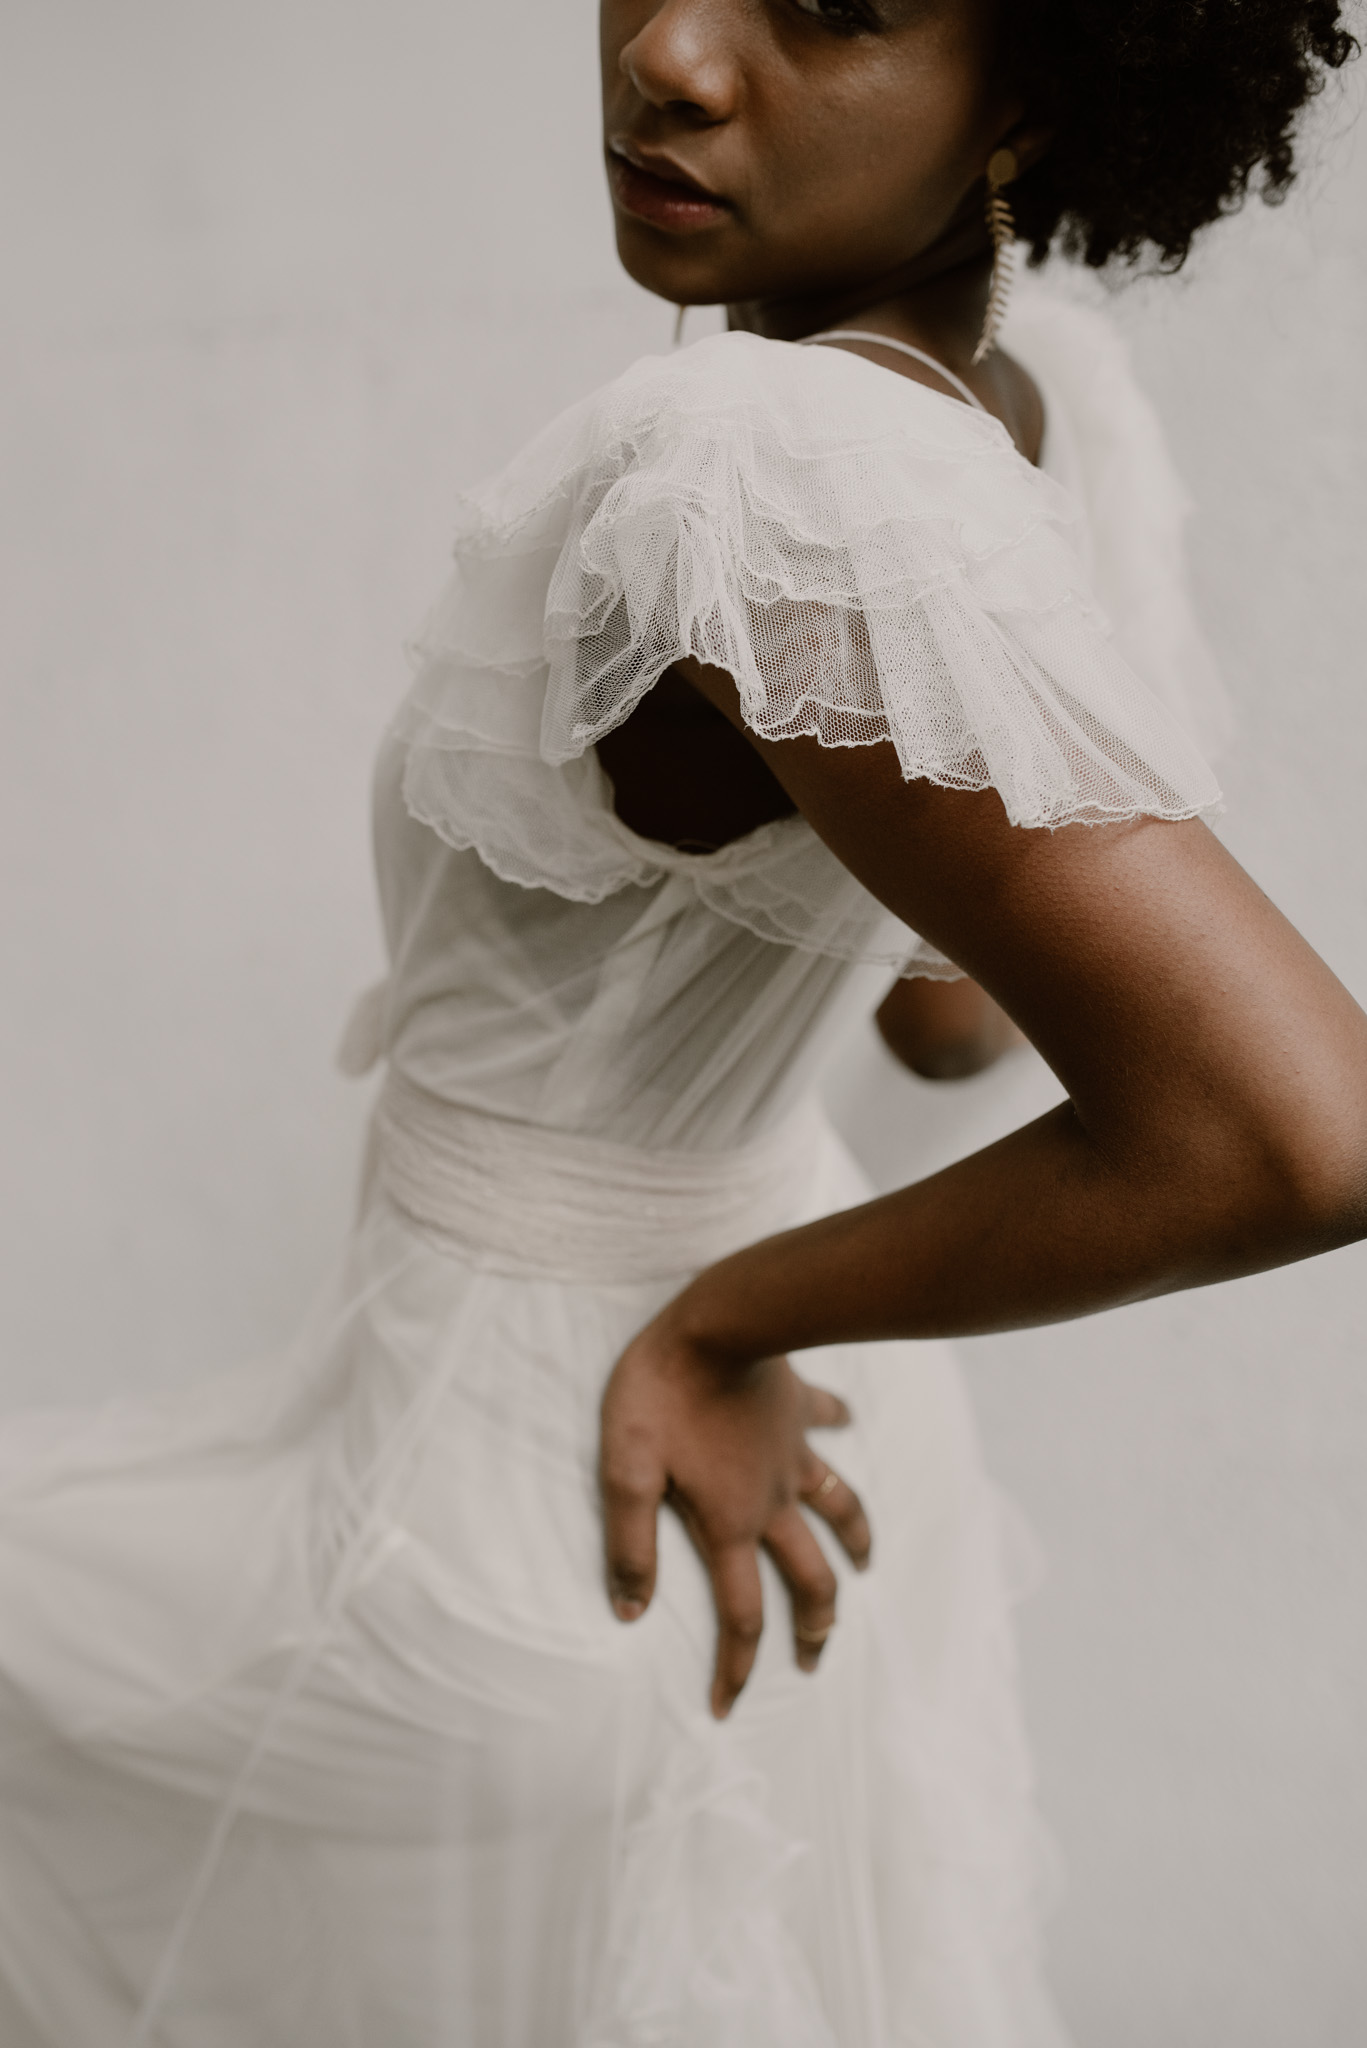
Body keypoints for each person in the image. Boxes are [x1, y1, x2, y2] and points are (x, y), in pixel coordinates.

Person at [1, 1, 1361, 2042]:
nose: (675, 56)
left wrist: (724, 1321)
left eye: (829, 4)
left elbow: (1293, 1130)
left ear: (1034, 89)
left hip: (530, 1487)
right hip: (786, 1471)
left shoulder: (764, 469)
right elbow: (954, 1018)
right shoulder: (1035, 408)